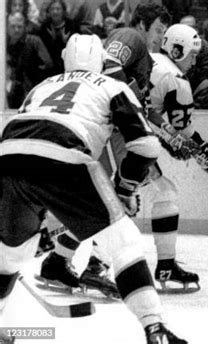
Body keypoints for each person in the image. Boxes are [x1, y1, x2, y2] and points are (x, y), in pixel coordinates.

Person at [0, 33, 188, 344]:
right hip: (66, 153)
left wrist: (39, 216)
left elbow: (28, 148)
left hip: (8, 158)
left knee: (7, 259)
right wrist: (125, 188)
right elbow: (145, 146)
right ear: (102, 61)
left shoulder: (39, 88)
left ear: (64, 59)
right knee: (124, 242)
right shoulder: (113, 85)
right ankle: (155, 328)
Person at [38, 3, 173, 295]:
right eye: (158, 29)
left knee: (110, 201)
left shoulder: (146, 58)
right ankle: (91, 264)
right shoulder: (130, 36)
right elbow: (108, 65)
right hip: (107, 127)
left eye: (165, 31)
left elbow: (142, 108)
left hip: (110, 128)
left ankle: (61, 260)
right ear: (142, 23)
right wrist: (130, 99)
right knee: (117, 199)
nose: (161, 37)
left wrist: (173, 135)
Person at [147, 24, 208, 291]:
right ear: (176, 49)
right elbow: (184, 133)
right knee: (146, 198)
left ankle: (165, 266)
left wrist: (173, 142)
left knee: (156, 194)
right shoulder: (175, 78)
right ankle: (73, 260)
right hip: (121, 139)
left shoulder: (150, 61)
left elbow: (152, 117)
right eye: (192, 55)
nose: (195, 62)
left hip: (114, 132)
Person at [7, 12, 53, 108]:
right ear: (7, 27)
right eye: (13, 26)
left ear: (24, 27)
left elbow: (48, 65)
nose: (16, 30)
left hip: (31, 93)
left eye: (19, 26)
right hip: (8, 93)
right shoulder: (3, 44)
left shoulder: (34, 41)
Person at [37, 0, 81, 76]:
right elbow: (42, 51)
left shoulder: (72, 25)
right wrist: (52, 40)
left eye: (58, 9)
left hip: (69, 64)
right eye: (52, 9)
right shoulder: (45, 27)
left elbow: (78, 48)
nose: (55, 12)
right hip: (50, 66)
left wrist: (66, 42)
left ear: (63, 11)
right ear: (49, 12)